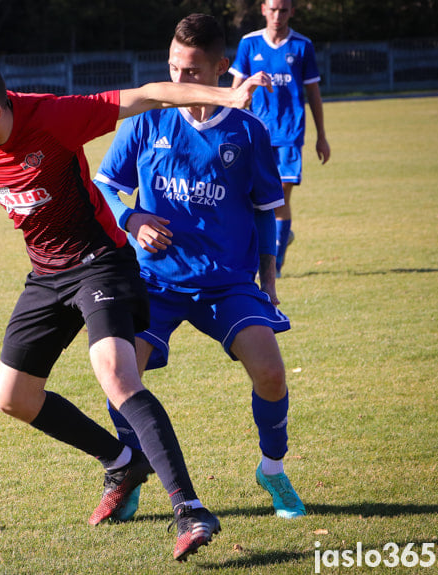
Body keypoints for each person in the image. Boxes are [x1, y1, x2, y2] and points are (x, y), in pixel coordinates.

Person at [0, 56, 270, 561]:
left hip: (101, 263)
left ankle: (190, 508)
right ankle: (121, 461)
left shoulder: (56, 118)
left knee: (117, 376)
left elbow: (148, 94)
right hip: (45, 274)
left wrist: (228, 97)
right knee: (13, 398)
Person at [94, 13, 306, 522]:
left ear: (221, 67)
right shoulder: (148, 120)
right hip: (154, 281)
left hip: (225, 282)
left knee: (272, 374)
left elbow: (264, 213)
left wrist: (269, 281)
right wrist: (132, 214)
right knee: (119, 376)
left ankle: (272, 469)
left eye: (190, 71)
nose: (178, 80)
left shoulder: (248, 132)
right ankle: (132, 473)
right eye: (172, 67)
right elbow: (104, 183)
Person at [229, 0, 330, 277]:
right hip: (256, 136)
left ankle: (277, 264)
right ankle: (272, 243)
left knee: (280, 198)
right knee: (252, 200)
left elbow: (313, 94)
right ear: (263, 9)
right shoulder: (249, 44)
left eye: (283, 10)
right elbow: (234, 91)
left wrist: (322, 136)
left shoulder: (302, 45)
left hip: (290, 135)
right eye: (272, 9)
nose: (277, 15)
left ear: (291, 12)